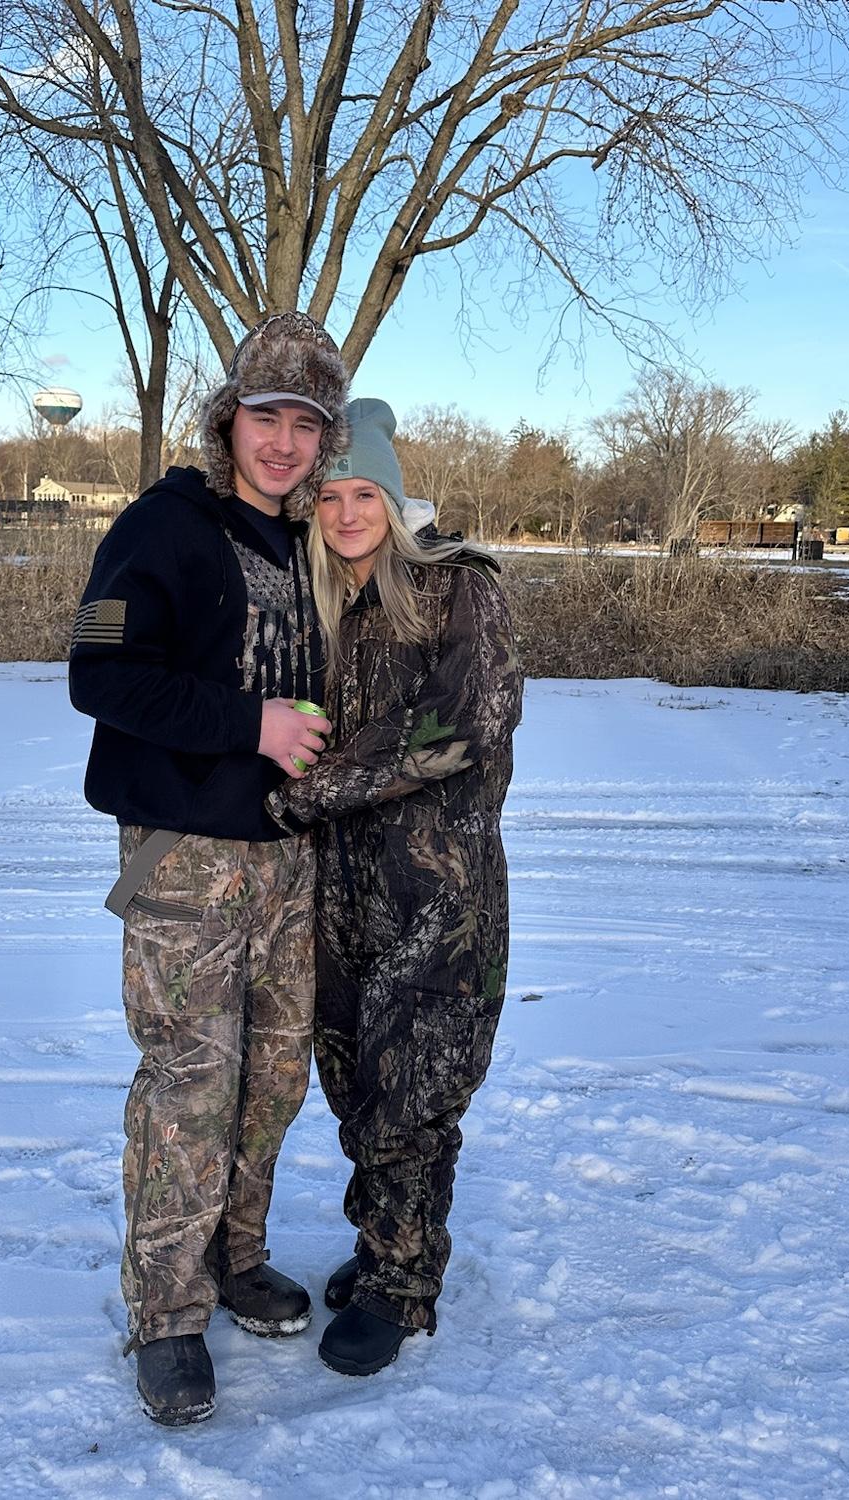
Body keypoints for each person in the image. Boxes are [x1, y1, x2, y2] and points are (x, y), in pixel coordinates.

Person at [68, 312, 348, 1426]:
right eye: (266, 416)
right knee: (191, 1082)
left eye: (306, 425)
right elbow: (99, 675)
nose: (283, 442)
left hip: (289, 858)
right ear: (229, 418)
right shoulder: (163, 525)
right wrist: (252, 724)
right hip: (182, 854)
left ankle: (235, 1256)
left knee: (275, 1075)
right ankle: (167, 1315)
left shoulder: (309, 542)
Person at [266, 398, 524, 1376]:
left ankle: (402, 1285)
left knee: (413, 1092)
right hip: (339, 889)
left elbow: (465, 728)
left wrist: (313, 791)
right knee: (355, 1082)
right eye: (329, 496)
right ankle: (384, 1241)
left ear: (395, 499)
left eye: (364, 494)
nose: (345, 513)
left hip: (439, 897)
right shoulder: (318, 598)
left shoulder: (459, 586)